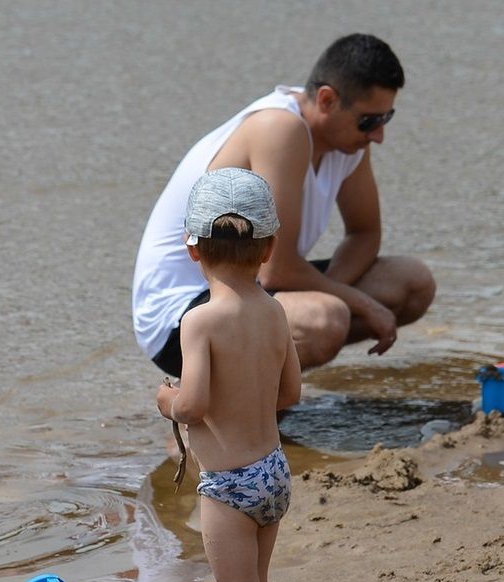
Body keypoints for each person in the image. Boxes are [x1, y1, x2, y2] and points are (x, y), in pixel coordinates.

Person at [134, 33, 435, 375]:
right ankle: (242, 419)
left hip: (252, 285)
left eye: (385, 118)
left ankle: (255, 394)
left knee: (411, 282)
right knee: (324, 319)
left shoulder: (348, 140)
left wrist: (336, 291)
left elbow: (365, 233)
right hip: (179, 316)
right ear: (326, 99)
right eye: (369, 121)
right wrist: (356, 302)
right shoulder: (281, 128)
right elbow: (276, 268)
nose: (378, 135)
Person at [156, 168, 301, 582]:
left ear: (191, 249)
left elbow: (191, 404)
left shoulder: (200, 321)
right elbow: (290, 392)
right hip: (272, 472)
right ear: (268, 247)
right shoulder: (275, 310)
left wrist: (164, 399)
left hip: (229, 485)